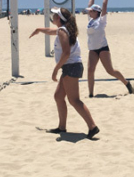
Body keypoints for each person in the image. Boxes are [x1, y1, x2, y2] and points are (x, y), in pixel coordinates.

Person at [30, 8, 100, 139]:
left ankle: (92, 127)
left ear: (59, 18)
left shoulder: (62, 31)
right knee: (58, 96)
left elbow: (66, 53)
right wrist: (39, 29)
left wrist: (56, 69)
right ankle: (61, 127)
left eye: (55, 15)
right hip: (71, 66)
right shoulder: (63, 29)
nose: (53, 16)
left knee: (74, 100)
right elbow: (51, 31)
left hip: (71, 67)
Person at [85, 0, 134, 97]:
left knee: (110, 71)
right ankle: (91, 94)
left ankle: (127, 84)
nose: (89, 12)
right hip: (92, 49)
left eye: (92, 11)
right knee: (90, 70)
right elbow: (90, 4)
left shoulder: (101, 20)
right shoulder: (90, 19)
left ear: (97, 12)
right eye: (90, 11)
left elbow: (104, 5)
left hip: (103, 48)